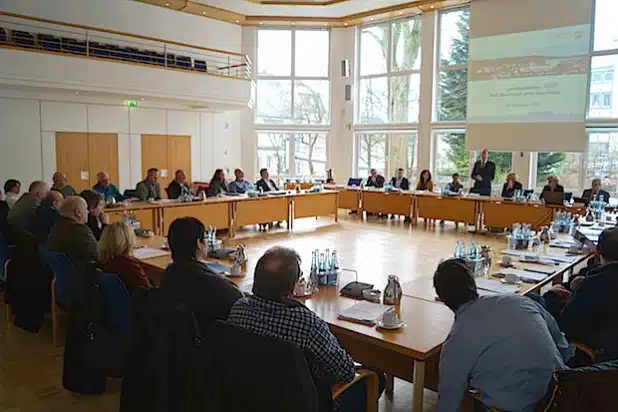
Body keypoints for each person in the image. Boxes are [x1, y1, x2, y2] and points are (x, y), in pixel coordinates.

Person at [228, 247, 383, 412]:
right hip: (301, 403)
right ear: (292, 287)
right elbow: (345, 372)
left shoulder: (238, 309)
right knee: (375, 377)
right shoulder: (306, 323)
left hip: (247, 397)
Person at [433, 259, 574, 412]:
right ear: (473, 284)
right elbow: (563, 346)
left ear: (441, 298)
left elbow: (448, 402)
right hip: (564, 396)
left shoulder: (456, 342)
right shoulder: (519, 301)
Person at [159, 217, 242, 328]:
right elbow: (237, 300)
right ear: (199, 243)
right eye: (206, 238)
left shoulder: (169, 273)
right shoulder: (210, 282)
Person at [559, 227, 618, 362]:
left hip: (597, 352)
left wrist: (560, 299)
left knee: (539, 301)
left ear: (597, 251)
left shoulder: (595, 283)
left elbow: (567, 324)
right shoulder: (595, 281)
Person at [99, 222, 163, 294]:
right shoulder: (126, 264)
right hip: (142, 302)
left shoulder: (105, 260)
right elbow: (148, 291)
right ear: (127, 241)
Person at [46, 196, 100, 263]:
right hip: (83, 271)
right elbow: (96, 255)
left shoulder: (56, 226)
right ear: (78, 212)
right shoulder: (79, 230)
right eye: (86, 208)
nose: (88, 212)